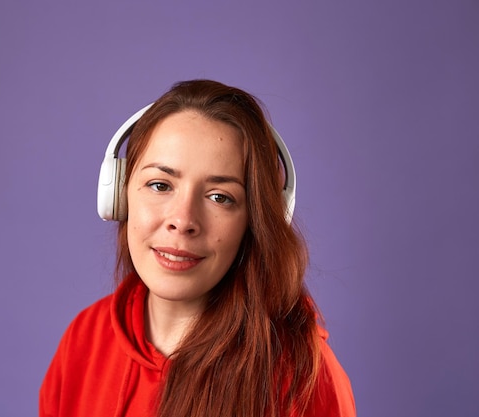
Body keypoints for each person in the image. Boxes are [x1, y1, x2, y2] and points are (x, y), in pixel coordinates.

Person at [39, 79, 356, 417]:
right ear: (119, 196)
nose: (183, 219)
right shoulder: (84, 340)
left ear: (255, 220)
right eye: (160, 185)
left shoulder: (303, 377)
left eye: (220, 197)